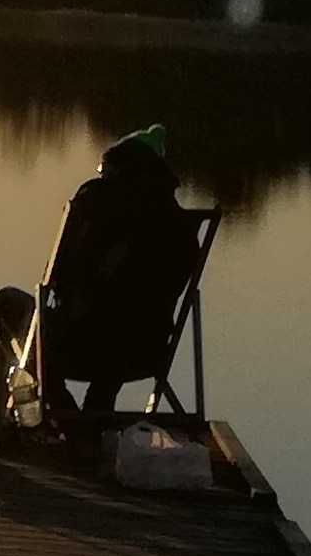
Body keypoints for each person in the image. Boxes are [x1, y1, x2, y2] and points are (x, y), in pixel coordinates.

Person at [36, 123, 194, 441]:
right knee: (124, 325)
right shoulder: (180, 225)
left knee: (9, 305)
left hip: (80, 344)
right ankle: (95, 412)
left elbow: (56, 278)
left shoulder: (93, 202)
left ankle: (67, 416)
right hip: (146, 349)